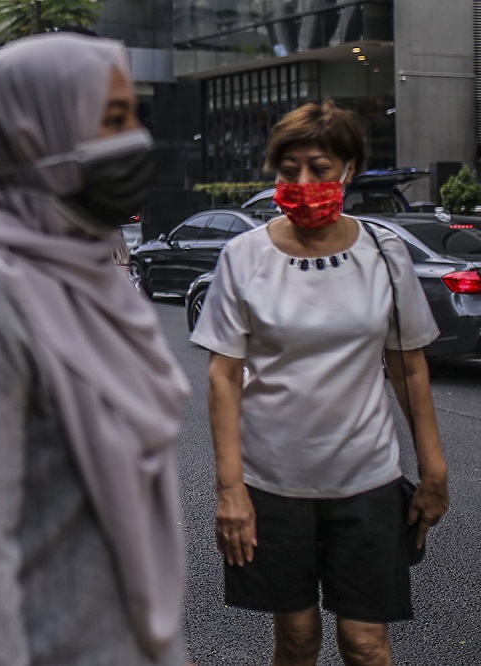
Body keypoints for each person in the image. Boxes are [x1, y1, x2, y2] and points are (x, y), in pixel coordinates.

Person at [0, 33, 191, 665]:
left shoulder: (92, 270)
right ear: (33, 132)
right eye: (111, 119)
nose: (133, 138)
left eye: (131, 116)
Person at [191, 99, 450, 666]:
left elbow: (408, 366)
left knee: (365, 645)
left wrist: (434, 471)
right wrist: (230, 490)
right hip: (273, 483)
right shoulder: (244, 256)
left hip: (368, 480)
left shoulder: (386, 253)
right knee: (298, 639)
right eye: (289, 171)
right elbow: (224, 377)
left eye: (320, 168)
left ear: (349, 170)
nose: (303, 182)